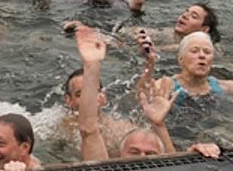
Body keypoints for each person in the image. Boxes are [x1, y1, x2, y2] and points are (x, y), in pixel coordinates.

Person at [73, 25, 220, 161]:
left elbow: (173, 161)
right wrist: (92, 65)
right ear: (119, 155)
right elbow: (88, 130)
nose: (141, 158)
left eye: (150, 154)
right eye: (134, 152)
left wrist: (201, 152)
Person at [129, 3, 220, 53]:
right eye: (186, 12)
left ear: (204, 29)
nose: (184, 15)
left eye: (193, 16)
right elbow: (137, 31)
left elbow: (154, 51)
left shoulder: (200, 48)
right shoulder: (169, 33)